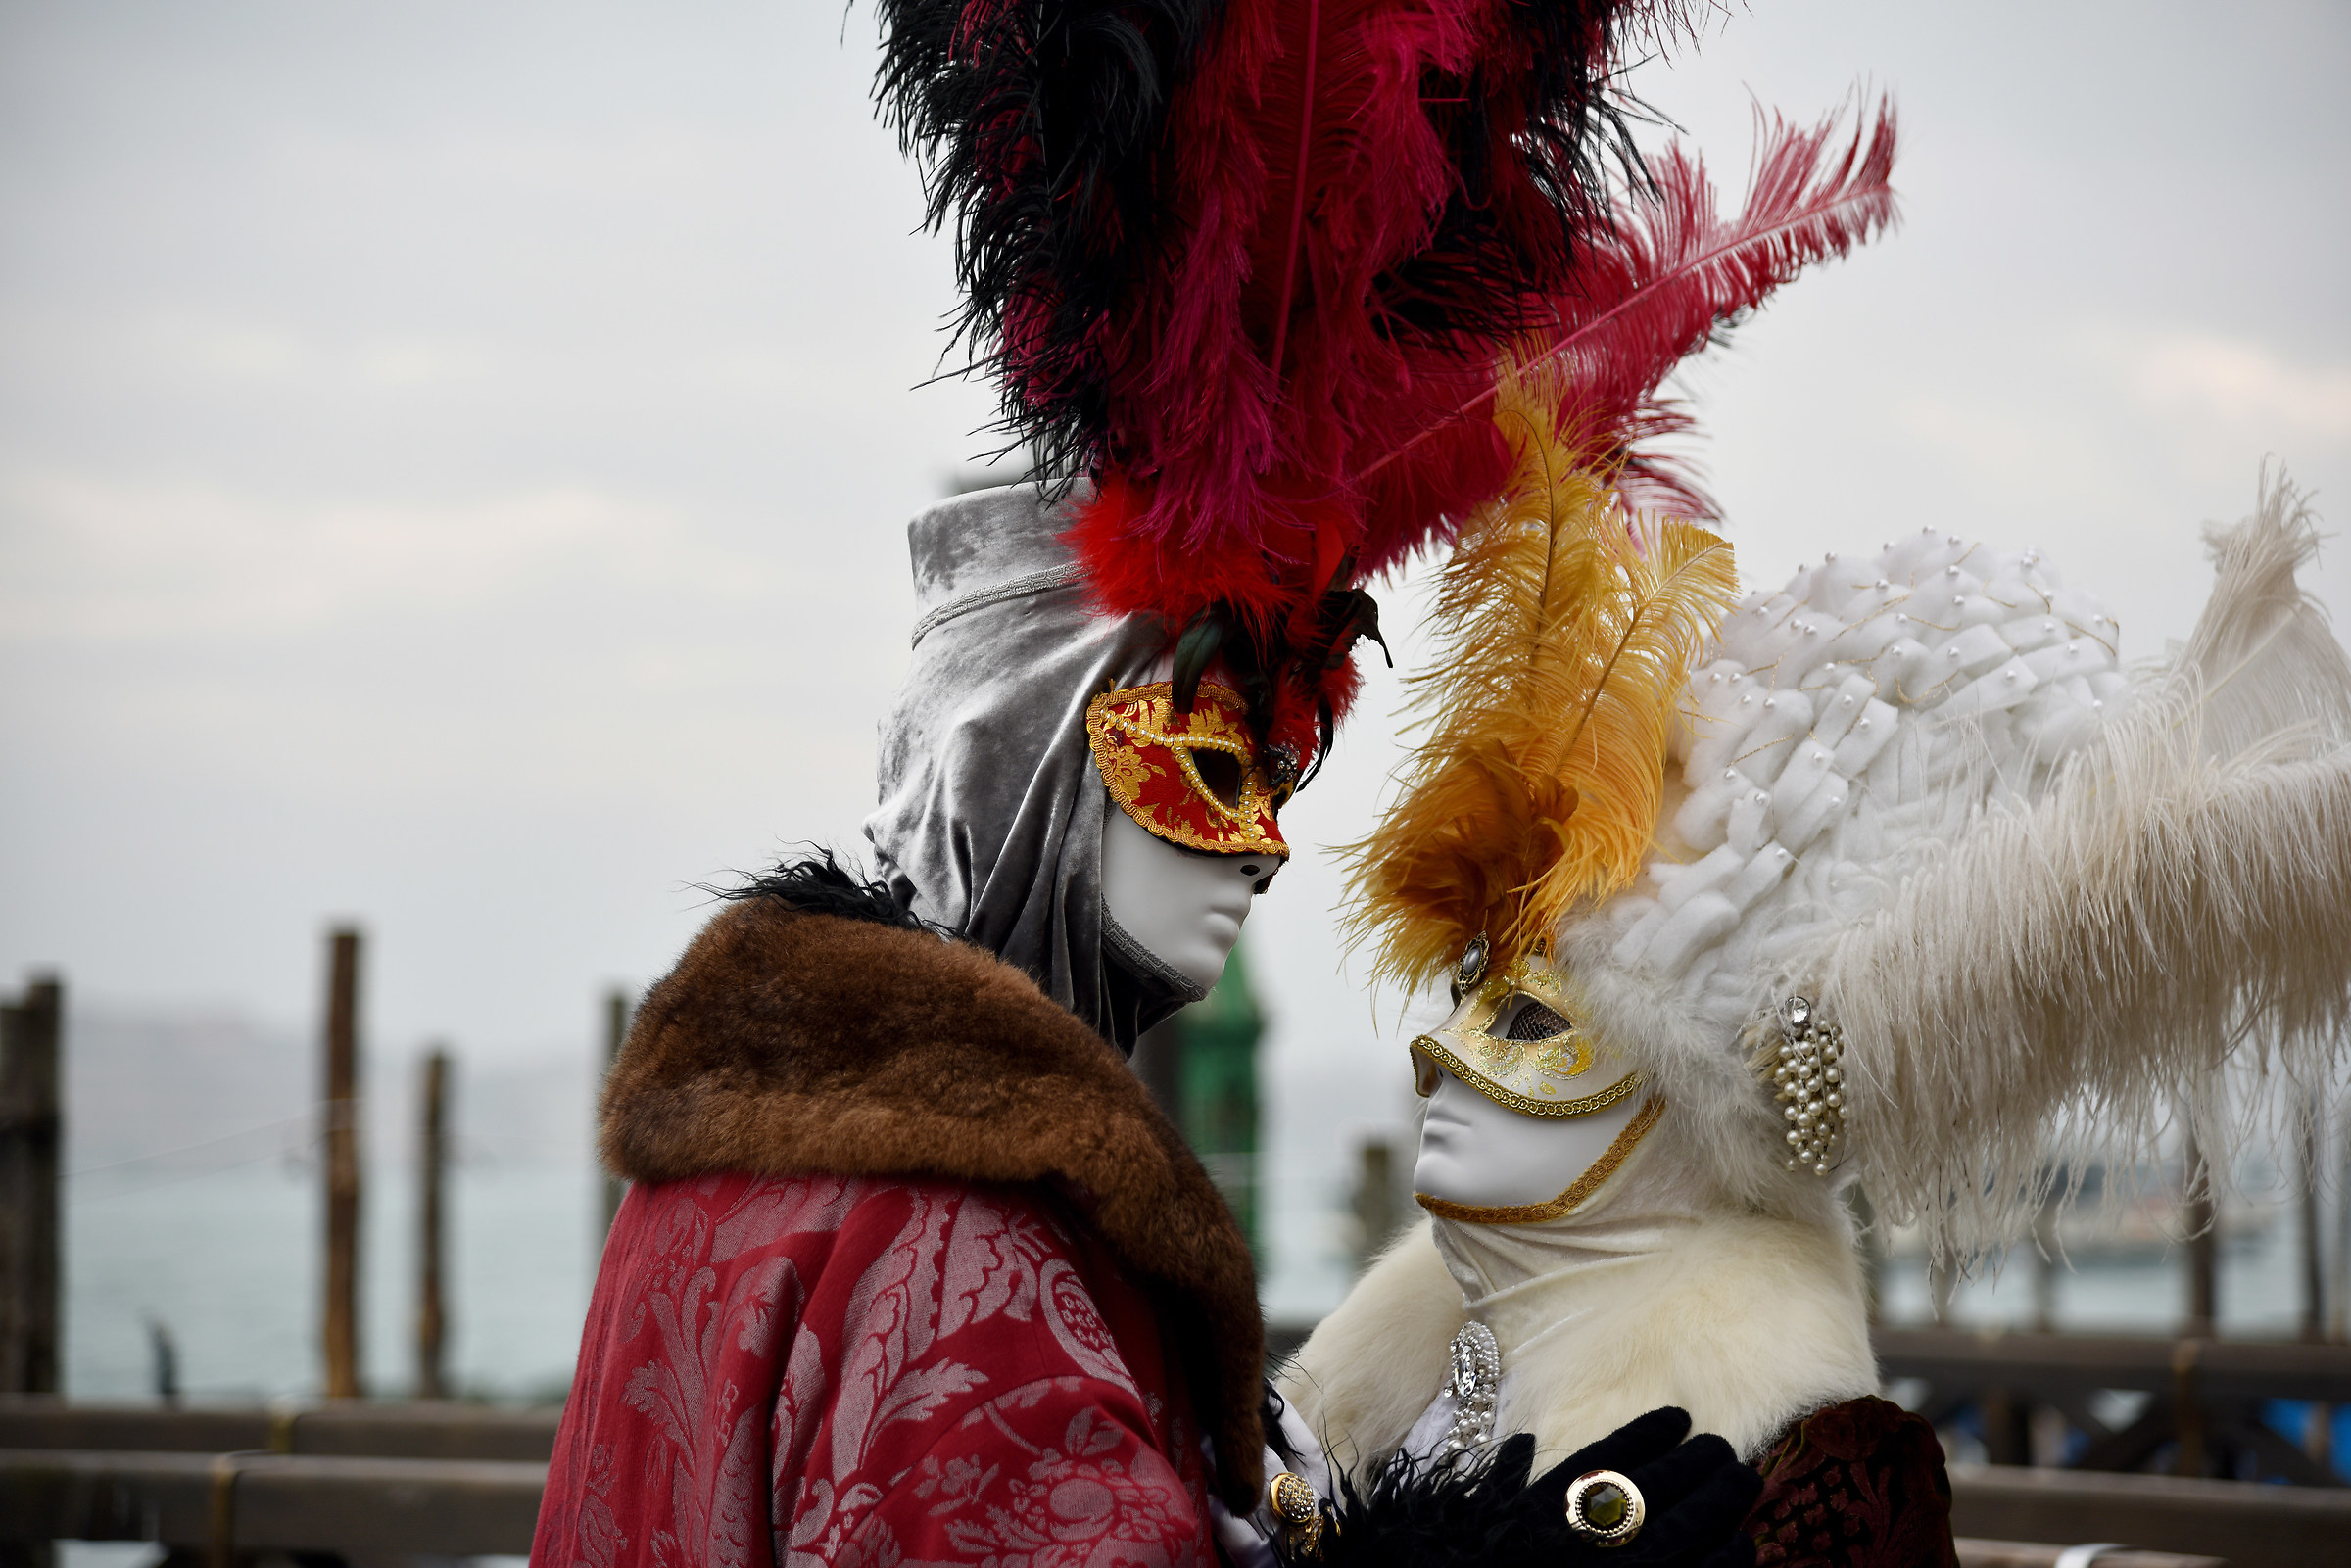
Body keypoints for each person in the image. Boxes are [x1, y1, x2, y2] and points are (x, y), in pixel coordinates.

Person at [1279, 435, 2351, 1563]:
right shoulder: (1369, 1383)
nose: (1438, 1055)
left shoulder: (1826, 1482)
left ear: (1692, 1124)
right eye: (1469, 990)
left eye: (1533, 1019)